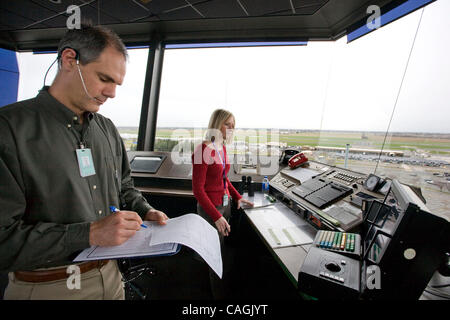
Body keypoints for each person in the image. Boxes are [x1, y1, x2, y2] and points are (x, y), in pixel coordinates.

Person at [0, 24, 168, 300]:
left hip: (112, 278)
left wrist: (145, 209)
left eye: (117, 83)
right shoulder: (9, 130)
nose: (112, 93)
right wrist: (88, 234)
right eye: (104, 78)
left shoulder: (107, 129)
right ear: (69, 60)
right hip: (49, 286)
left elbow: (124, 187)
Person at [191, 108, 253, 299]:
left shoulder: (222, 148)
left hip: (223, 207)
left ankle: (219, 289)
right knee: (213, 256)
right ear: (217, 124)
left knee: (220, 252)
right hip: (211, 210)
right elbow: (198, 190)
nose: (231, 128)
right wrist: (216, 216)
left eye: (234, 125)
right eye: (228, 124)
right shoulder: (203, 150)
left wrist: (237, 197)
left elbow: (224, 180)